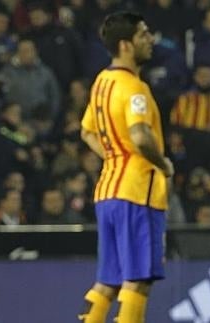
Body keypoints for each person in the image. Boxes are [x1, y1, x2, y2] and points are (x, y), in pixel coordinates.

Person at [78, 11, 174, 323]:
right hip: (136, 192)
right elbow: (140, 135)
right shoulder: (135, 88)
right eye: (144, 34)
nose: (151, 39)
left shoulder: (102, 82)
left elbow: (87, 131)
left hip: (107, 191)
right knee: (138, 279)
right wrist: (164, 164)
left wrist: (113, 155)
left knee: (109, 280)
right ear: (126, 45)